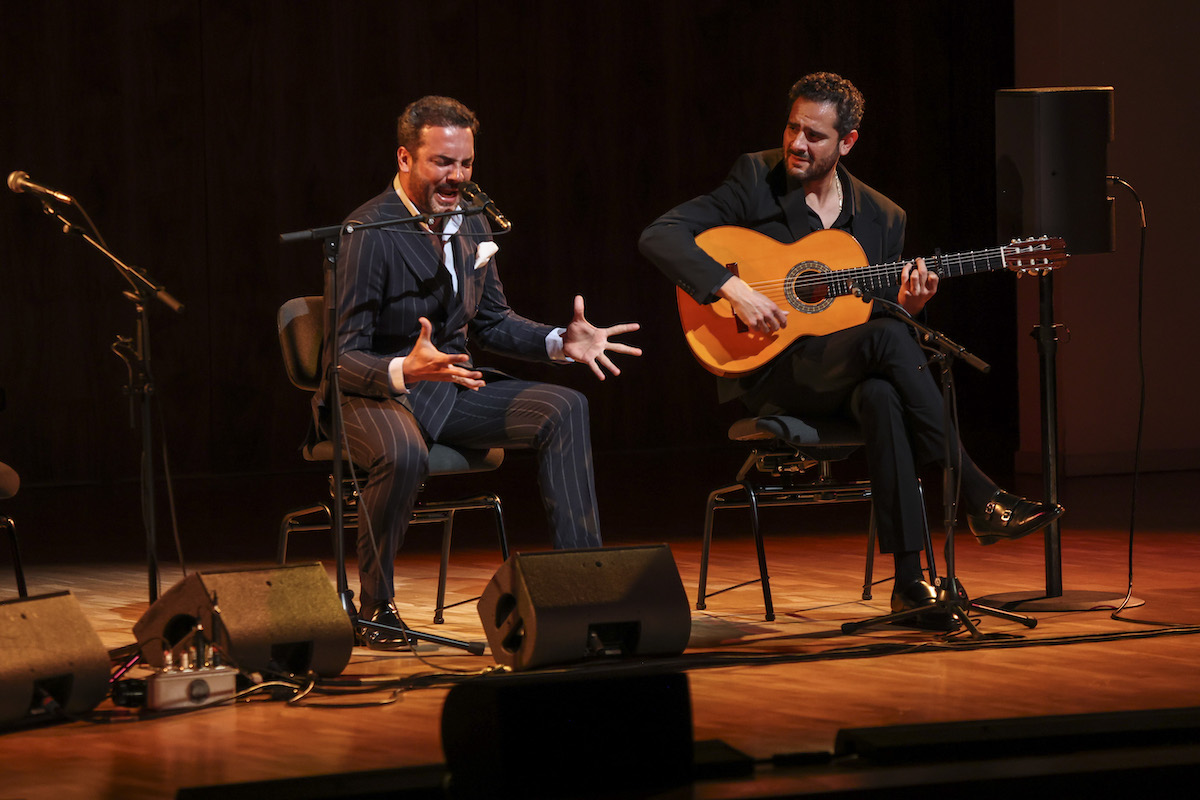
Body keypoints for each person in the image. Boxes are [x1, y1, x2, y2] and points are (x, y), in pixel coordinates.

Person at [639, 72, 1062, 623]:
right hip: (772, 371)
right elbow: (659, 235)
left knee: (885, 392)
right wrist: (732, 286)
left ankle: (910, 583)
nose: (796, 143)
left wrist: (907, 310)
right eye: (793, 127)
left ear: (848, 142)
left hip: (845, 375)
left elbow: (878, 322)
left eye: (814, 135)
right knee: (887, 350)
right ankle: (977, 494)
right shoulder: (754, 177)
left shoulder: (882, 217)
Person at [317, 95, 641, 649]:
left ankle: (585, 590)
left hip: (447, 390)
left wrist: (560, 341)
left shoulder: (471, 218)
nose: (457, 176)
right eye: (442, 162)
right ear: (404, 158)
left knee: (566, 407)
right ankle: (377, 607)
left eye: (465, 163)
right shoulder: (368, 231)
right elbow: (343, 355)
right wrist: (405, 368)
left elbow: (490, 322)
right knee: (403, 452)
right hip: (372, 392)